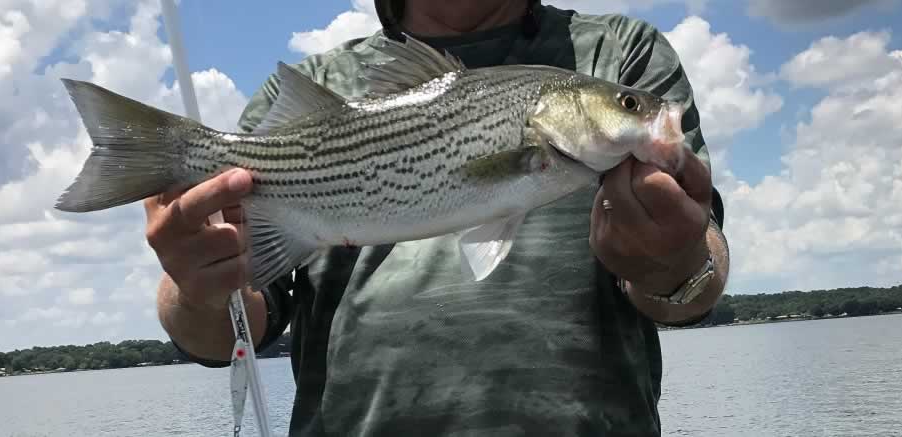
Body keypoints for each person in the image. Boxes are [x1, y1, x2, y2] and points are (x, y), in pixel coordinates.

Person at [148, 1, 730, 435]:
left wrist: (676, 263)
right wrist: (197, 289)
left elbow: (702, 266)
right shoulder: (311, 88)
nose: (637, 111)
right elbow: (238, 326)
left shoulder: (621, 52)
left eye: (628, 104)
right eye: (628, 107)